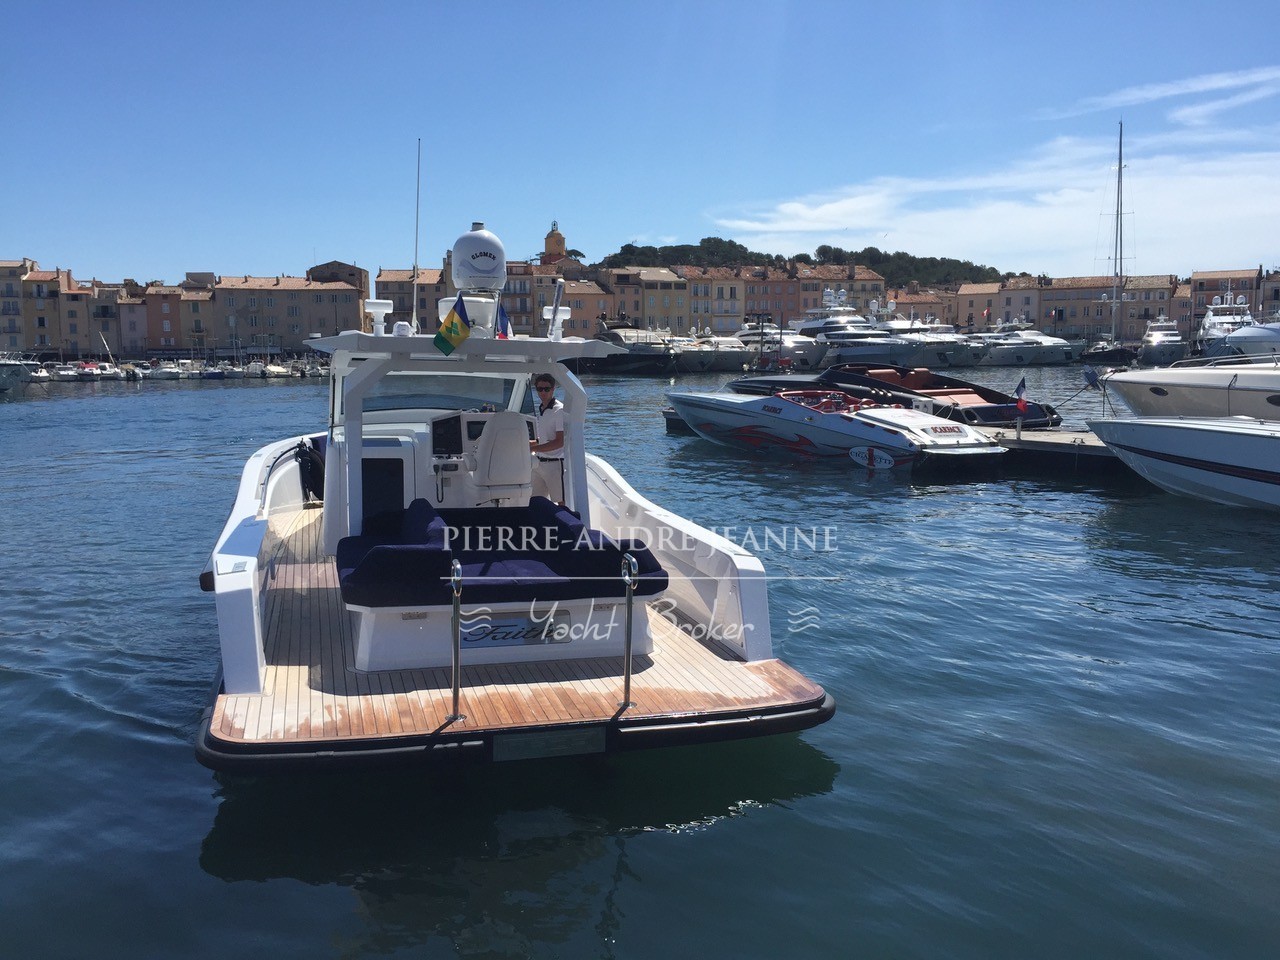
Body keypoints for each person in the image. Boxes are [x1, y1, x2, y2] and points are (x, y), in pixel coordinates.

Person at [530, 373, 565, 503]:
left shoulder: (559, 410)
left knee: (562, 503)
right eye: (540, 389)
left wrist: (532, 449)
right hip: (539, 465)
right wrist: (527, 444)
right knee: (535, 502)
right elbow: (545, 438)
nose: (543, 392)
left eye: (547, 389)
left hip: (555, 465)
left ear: (553, 389)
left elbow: (559, 442)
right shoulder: (542, 408)